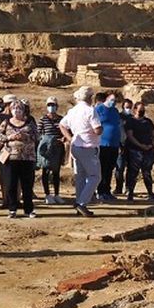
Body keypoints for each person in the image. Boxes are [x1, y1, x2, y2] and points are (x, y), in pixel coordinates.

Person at [59, 86, 103, 217]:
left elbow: (62, 125)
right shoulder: (90, 110)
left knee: (80, 177)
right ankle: (81, 203)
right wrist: (101, 129)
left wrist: (70, 138)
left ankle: (80, 203)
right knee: (95, 176)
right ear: (90, 97)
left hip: (76, 146)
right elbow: (97, 130)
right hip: (88, 147)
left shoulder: (73, 111)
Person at [0, 99, 39, 218]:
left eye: (19, 108)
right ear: (10, 110)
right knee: (11, 184)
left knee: (27, 185)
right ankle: (12, 209)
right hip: (10, 158)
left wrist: (25, 136)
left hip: (27, 158)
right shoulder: (6, 122)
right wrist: (9, 137)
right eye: (14, 108)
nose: (17, 111)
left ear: (23, 110)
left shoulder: (29, 122)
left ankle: (29, 209)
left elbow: (37, 136)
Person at [123, 100, 154, 201]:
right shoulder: (130, 121)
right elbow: (130, 136)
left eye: (143, 110)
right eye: (140, 110)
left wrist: (152, 144)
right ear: (135, 110)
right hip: (134, 150)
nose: (142, 111)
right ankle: (130, 193)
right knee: (133, 173)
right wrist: (140, 145)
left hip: (148, 150)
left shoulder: (148, 121)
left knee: (147, 172)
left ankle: (150, 193)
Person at [95, 93, 123, 202]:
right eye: (112, 100)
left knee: (110, 168)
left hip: (114, 144)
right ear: (107, 99)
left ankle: (107, 190)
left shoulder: (115, 111)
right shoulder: (99, 109)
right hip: (102, 144)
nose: (113, 102)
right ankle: (100, 191)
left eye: (115, 101)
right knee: (102, 168)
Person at [37, 97, 66, 204]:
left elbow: (65, 131)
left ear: (57, 106)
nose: (51, 107)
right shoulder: (43, 119)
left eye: (53, 105)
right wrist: (46, 140)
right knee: (45, 171)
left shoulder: (61, 119)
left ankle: (57, 194)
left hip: (57, 148)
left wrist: (63, 138)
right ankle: (47, 194)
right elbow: (38, 133)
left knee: (56, 172)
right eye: (49, 105)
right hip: (47, 148)